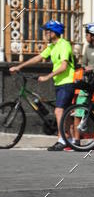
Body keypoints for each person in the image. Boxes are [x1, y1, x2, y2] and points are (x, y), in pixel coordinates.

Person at [9, 19, 75, 151]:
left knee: (59, 110)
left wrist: (47, 77)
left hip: (67, 82)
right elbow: (38, 58)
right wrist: (19, 66)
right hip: (59, 82)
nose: (45, 33)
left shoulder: (64, 44)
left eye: (47, 31)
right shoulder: (52, 46)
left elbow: (63, 66)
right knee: (64, 111)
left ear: (54, 32)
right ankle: (70, 139)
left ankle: (61, 140)